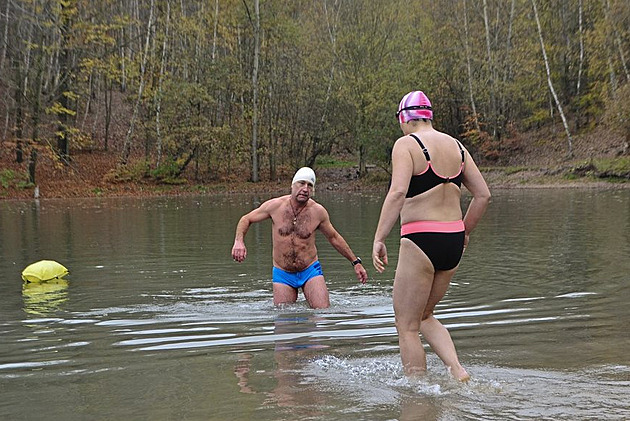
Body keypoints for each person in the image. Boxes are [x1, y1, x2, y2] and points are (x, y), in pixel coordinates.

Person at [372, 91, 491, 381]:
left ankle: (416, 390)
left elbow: (398, 192)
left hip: (420, 238)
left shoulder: (406, 144)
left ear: (404, 118)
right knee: (424, 315)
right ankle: (457, 370)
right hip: (452, 241)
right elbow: (483, 195)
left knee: (407, 325)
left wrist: (379, 238)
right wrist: (464, 232)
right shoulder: (458, 147)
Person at [232, 167, 368, 308]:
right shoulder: (275, 206)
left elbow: (334, 237)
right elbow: (246, 219)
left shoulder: (318, 212)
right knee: (284, 320)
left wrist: (355, 262)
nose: (305, 188)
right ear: (292, 185)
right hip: (283, 273)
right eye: (301, 183)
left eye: (310, 185)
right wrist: (239, 241)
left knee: (322, 314)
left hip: (310, 270)